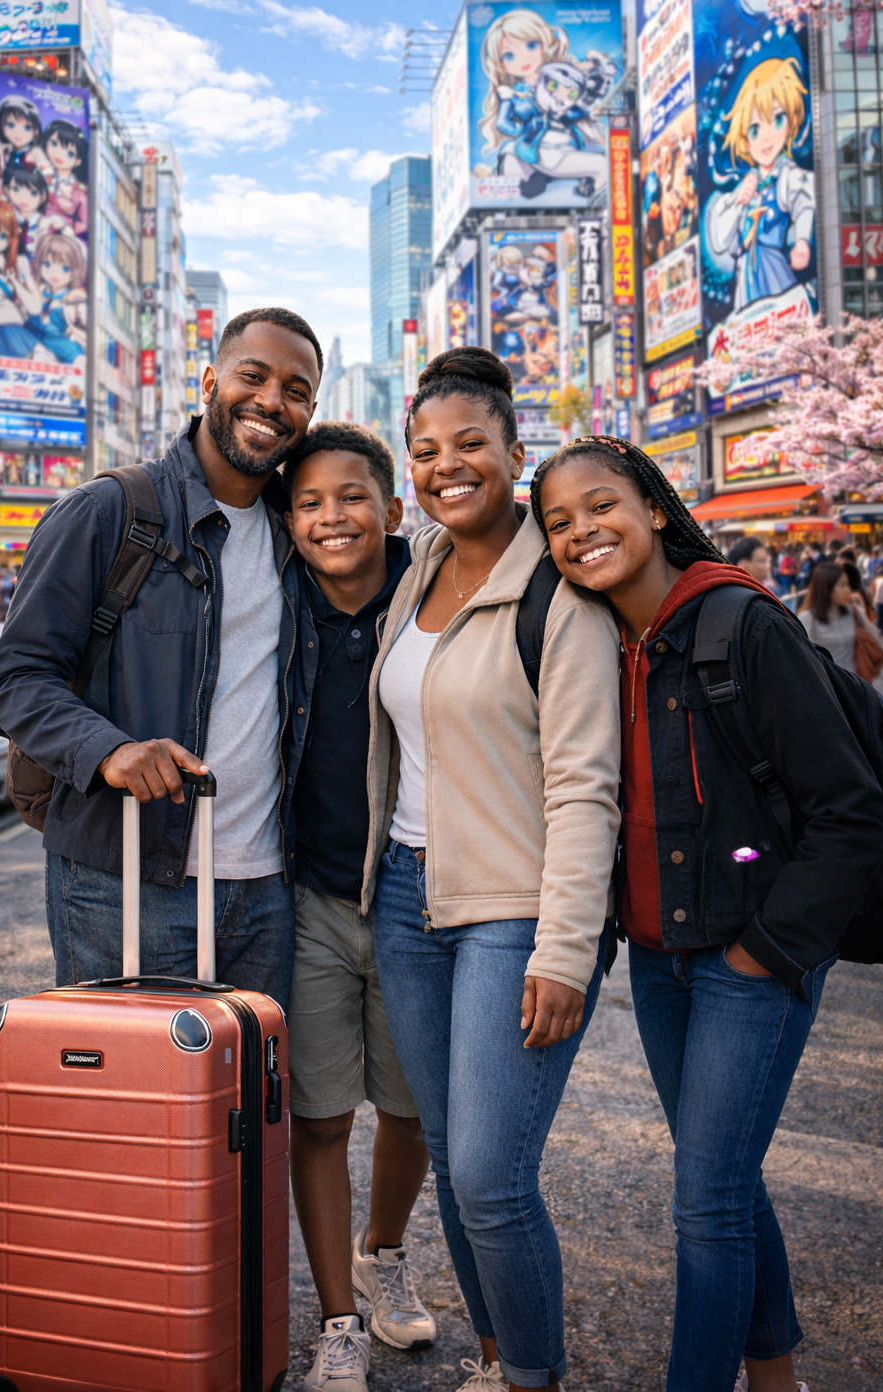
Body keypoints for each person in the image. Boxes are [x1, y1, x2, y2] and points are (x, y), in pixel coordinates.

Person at [533, 435, 883, 1392]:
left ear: (653, 507)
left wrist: (765, 956)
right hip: (658, 959)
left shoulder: (741, 624)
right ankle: (774, 1377)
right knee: (722, 1176)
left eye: (600, 506)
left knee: (706, 1199)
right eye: (558, 523)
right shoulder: (594, 643)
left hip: (748, 960)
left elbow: (851, 812)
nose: (581, 532)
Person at [364, 350, 622, 1392]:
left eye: (470, 444)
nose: (446, 465)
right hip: (404, 901)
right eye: (426, 451)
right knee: (453, 1163)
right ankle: (497, 1355)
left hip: (513, 913)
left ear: (518, 454)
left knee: (487, 1173)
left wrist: (564, 951)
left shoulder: (559, 595)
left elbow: (585, 787)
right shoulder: (417, 566)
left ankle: (534, 1377)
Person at [0, 307, 323, 1005]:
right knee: (131, 1108)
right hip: (122, 880)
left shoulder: (304, 533)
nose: (271, 401)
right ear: (208, 380)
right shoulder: (109, 510)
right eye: (252, 376)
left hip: (267, 888)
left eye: (296, 389)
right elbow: (17, 679)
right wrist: (108, 750)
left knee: (246, 1111)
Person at [279, 423, 434, 1392]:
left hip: (416, 893)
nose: (330, 517)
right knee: (321, 1116)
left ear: (391, 508)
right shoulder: (274, 601)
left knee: (412, 1110)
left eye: (350, 498)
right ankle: (338, 1316)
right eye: (307, 502)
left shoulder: (435, 593)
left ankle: (384, 1256)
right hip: (306, 897)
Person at [798, 560, 881, 677]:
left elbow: (874, 636)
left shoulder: (852, 610)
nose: (847, 590)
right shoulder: (808, 617)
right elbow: (802, 659)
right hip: (829, 687)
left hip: (857, 683)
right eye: (842, 585)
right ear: (826, 588)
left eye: (847, 584)